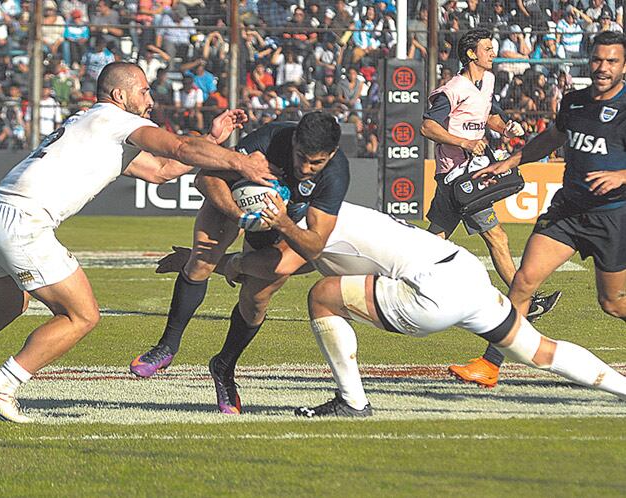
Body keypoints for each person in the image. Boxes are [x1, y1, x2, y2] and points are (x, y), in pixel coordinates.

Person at [0, 62, 272, 423]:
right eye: (144, 91)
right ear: (120, 95)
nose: (150, 99)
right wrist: (241, 163)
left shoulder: (91, 123)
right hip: (23, 220)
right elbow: (177, 147)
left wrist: (211, 141)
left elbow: (161, 172)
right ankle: (1, 386)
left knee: (5, 307)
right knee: (81, 316)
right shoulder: (118, 121)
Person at [223, 198, 626, 416]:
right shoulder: (336, 211)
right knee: (541, 352)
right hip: (466, 274)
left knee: (323, 295)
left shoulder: (314, 225)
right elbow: (296, 260)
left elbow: (278, 265)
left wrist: (223, 264)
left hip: (430, 290)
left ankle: (352, 400)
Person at [449, 31, 626, 388]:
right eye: (597, 60)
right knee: (524, 281)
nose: (602, 67)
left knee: (613, 304)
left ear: (623, 65)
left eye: (612, 61)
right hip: (567, 212)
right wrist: (512, 161)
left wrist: (621, 174)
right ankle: (489, 364)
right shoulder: (575, 101)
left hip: (613, 217)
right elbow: (551, 138)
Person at [129, 112, 348, 400]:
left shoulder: (336, 174)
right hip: (232, 203)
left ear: (331, 154)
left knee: (256, 301)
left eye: (315, 162)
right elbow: (205, 178)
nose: (305, 168)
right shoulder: (271, 138)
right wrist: (239, 215)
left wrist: (281, 222)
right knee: (201, 261)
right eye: (300, 157)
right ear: (293, 141)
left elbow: (314, 247)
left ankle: (223, 367)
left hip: (286, 224)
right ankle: (167, 346)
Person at [421, 28, 562, 353]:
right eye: (487, 48)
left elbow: (490, 117)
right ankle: (524, 301)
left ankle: (396, 279)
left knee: (435, 239)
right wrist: (464, 142)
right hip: (457, 176)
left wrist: (507, 126)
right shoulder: (452, 89)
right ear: (471, 54)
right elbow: (427, 126)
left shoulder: (486, 84)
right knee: (496, 236)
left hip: (465, 175)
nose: (492, 53)